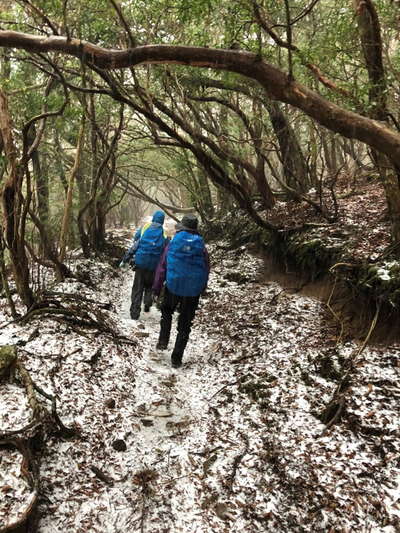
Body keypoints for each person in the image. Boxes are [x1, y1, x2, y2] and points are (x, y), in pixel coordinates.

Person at [152, 214, 210, 368]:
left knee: (166, 310)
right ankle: (176, 358)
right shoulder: (201, 245)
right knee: (185, 323)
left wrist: (157, 287)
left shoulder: (173, 242)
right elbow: (206, 267)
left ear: (182, 227)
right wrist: (201, 287)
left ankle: (163, 341)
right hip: (192, 290)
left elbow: (162, 266)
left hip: (173, 285)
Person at [120, 210, 168, 320]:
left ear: (153, 218)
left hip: (141, 263)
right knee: (150, 285)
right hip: (154, 265)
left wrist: (125, 259)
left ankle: (134, 314)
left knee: (138, 288)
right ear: (162, 220)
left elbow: (136, 241)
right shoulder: (164, 233)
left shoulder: (145, 228)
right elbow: (167, 250)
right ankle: (148, 302)